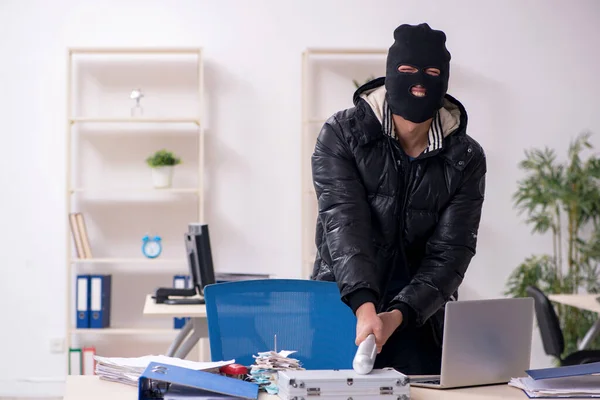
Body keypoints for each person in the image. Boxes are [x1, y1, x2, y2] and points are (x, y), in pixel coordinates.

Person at [310, 22, 486, 375]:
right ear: (391, 75)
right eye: (407, 71)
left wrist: (397, 315)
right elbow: (344, 224)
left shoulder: (465, 157)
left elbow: (452, 253)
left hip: (419, 317)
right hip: (344, 305)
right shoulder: (343, 134)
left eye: (433, 72)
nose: (419, 81)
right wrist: (365, 307)